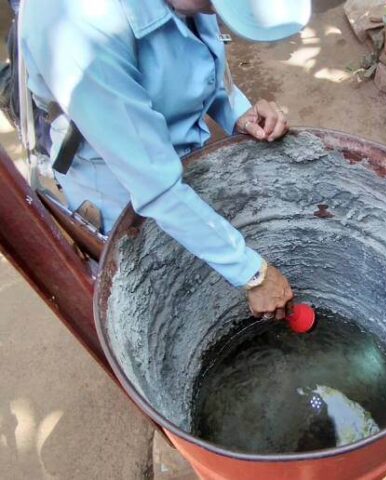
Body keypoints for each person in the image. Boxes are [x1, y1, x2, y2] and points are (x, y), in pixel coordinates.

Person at [19, 0, 311, 320]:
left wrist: (236, 111)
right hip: (114, 176)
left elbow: (196, 58)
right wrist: (253, 274)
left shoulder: (190, 5)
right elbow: (155, 186)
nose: (213, 15)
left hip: (169, 156)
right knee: (150, 277)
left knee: (199, 242)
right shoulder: (80, 26)